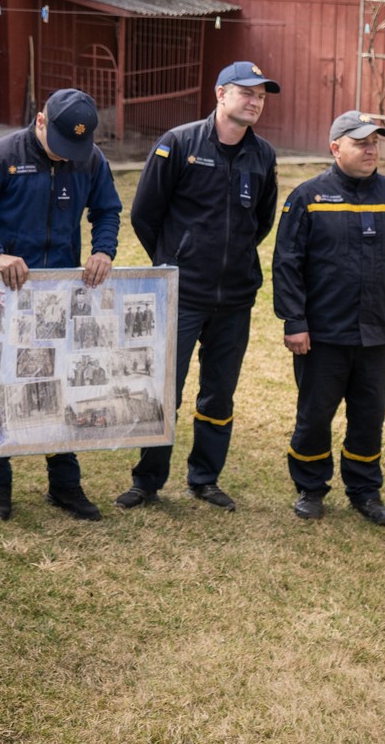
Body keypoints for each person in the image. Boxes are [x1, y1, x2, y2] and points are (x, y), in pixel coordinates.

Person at [0, 88, 122, 522]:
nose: (66, 157)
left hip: (60, 295)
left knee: (59, 385)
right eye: (60, 147)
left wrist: (104, 250)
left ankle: (65, 483)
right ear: (41, 121)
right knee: (0, 385)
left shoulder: (90, 159)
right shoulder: (1, 156)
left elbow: (108, 210)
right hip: (8, 294)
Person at [119, 61, 280, 512]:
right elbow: (144, 214)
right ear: (220, 94)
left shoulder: (263, 155)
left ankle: (205, 478)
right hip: (181, 295)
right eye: (247, 92)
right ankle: (147, 481)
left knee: (218, 392)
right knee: (163, 389)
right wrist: (174, 261)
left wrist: (233, 259)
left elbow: (260, 222)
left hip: (235, 298)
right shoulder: (179, 143)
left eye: (261, 96)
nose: (255, 101)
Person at [272, 110, 385, 526]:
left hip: (376, 335)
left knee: (369, 415)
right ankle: (311, 486)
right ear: (335, 147)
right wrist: (294, 321)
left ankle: (364, 490)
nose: (370, 149)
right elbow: (287, 264)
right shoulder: (308, 198)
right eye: (360, 142)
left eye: (375, 141)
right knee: (315, 414)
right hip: (322, 336)